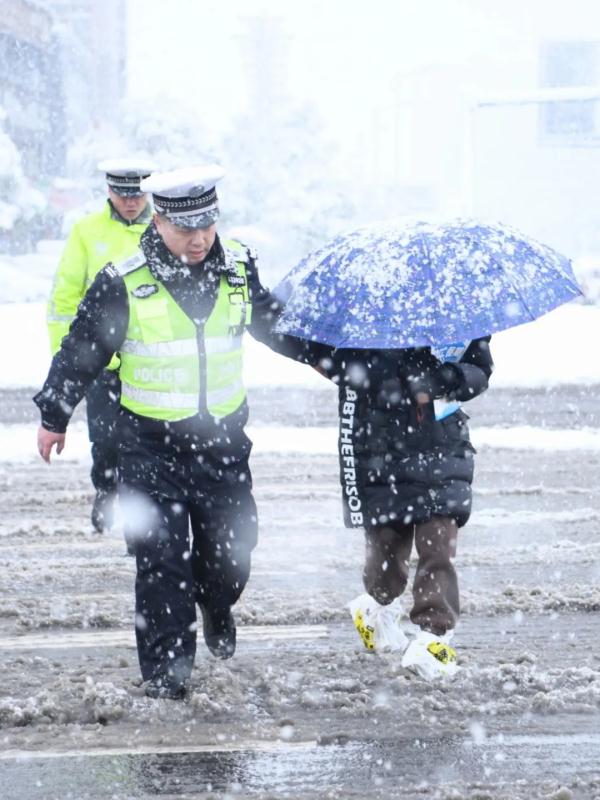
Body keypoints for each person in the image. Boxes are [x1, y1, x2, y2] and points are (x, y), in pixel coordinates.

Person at [35, 164, 311, 700]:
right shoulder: (123, 280)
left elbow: (276, 326)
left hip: (223, 447)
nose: (199, 238)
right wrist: (54, 413)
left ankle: (216, 602)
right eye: (186, 228)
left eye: (207, 225)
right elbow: (82, 348)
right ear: (158, 222)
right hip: (149, 449)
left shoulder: (238, 268)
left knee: (231, 558)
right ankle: (167, 676)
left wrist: (329, 360)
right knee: (160, 564)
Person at [308, 339, 493, 679]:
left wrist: (449, 378)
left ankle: (434, 636)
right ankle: (376, 606)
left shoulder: (452, 318)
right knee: (386, 560)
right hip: (379, 449)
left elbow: (480, 370)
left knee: (438, 548)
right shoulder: (363, 322)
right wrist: (381, 380)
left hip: (443, 447)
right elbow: (327, 360)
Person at [47, 158, 157, 532]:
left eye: (137, 195)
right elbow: (64, 299)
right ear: (109, 191)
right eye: (123, 195)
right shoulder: (86, 231)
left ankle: (141, 516)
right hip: (102, 363)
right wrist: (68, 359)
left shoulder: (162, 230)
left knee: (147, 445)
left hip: (150, 361)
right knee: (107, 441)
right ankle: (107, 491)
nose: (131, 202)